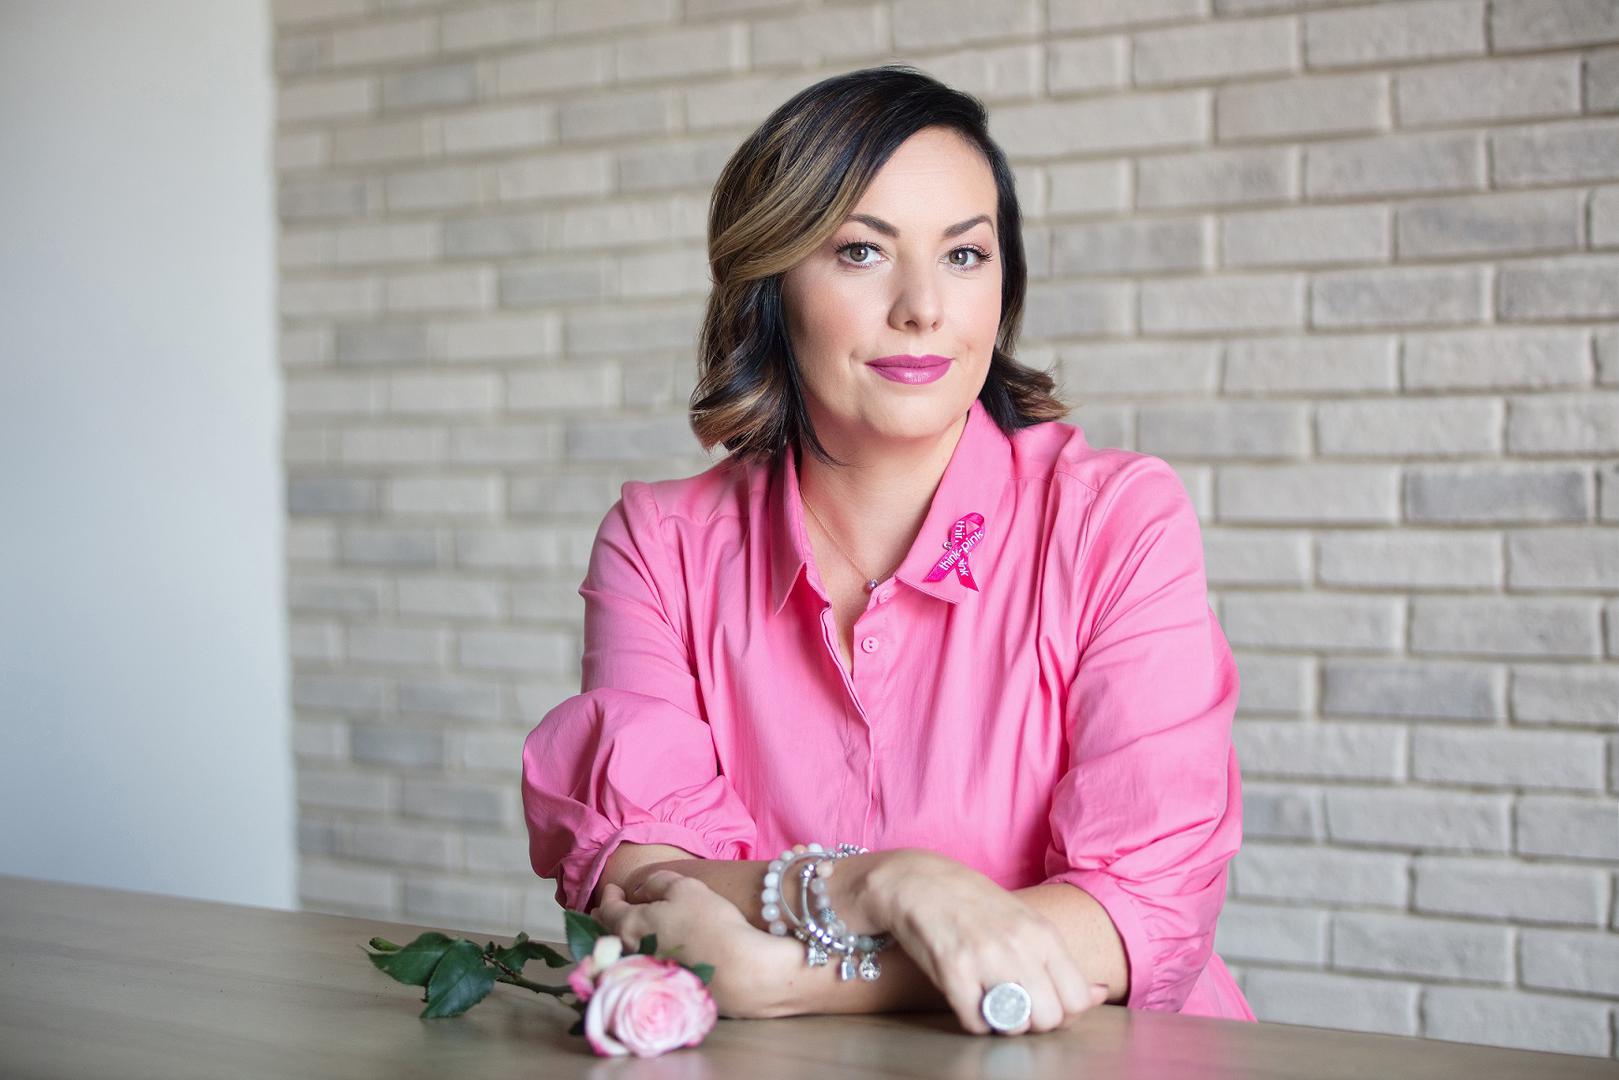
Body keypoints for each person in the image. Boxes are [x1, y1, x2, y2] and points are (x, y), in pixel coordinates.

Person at [521, 64, 1255, 1036]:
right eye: (861, 251)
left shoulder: (1113, 521)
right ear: (769, 283)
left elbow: (1136, 916)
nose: (922, 307)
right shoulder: (661, 545)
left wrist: (791, 976)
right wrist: (878, 885)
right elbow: (645, 884)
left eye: (964, 255)